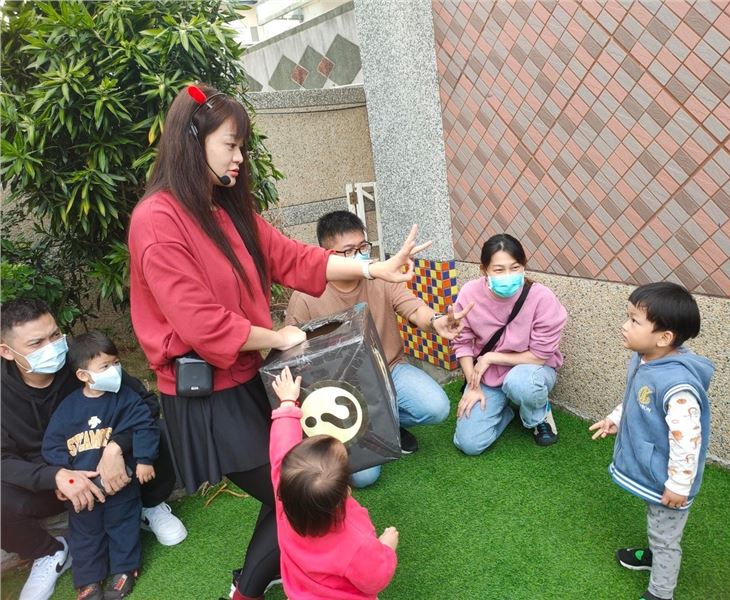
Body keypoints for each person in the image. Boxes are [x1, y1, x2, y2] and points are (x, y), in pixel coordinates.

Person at [127, 83, 430, 600]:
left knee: (288, 492)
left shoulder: (224, 208)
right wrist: (277, 334)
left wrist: (370, 268)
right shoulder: (157, 219)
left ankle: (253, 581)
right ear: (192, 139)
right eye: (231, 144)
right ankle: (249, 587)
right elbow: (201, 322)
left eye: (242, 146)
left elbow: (294, 257)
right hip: (209, 395)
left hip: (248, 375)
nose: (240, 157)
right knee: (290, 494)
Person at [0, 299, 186, 600]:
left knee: (158, 432)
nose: (52, 347)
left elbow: (146, 405)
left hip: (111, 467)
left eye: (55, 335)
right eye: (36, 343)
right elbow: (3, 460)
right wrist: (55, 476)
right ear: (7, 351)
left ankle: (148, 505)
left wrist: (116, 447)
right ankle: (49, 552)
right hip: (49, 482)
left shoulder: (82, 360)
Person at [285, 211, 472, 487]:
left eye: (363, 247)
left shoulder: (379, 276)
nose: (360, 255)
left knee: (436, 407)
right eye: (349, 251)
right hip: (342, 387)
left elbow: (414, 309)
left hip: (389, 369)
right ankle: (372, 426)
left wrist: (436, 321)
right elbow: (293, 352)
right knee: (364, 477)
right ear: (326, 254)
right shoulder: (306, 295)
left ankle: (389, 424)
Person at [589, 282, 714, 600]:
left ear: (664, 337)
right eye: (627, 316)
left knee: (666, 538)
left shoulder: (678, 386)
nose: (624, 325)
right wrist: (616, 418)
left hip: (669, 479)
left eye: (634, 320)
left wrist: (679, 485)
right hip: (655, 470)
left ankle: (660, 593)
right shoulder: (646, 358)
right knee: (658, 525)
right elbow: (636, 398)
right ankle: (653, 556)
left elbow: (688, 442)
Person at [42, 332, 160, 599]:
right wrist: (63, 477)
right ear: (83, 375)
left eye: (116, 363)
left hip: (120, 484)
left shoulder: (125, 397)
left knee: (123, 527)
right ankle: (88, 581)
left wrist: (145, 460)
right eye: (105, 366)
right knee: (85, 535)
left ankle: (124, 571)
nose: (115, 370)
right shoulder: (67, 409)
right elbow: (52, 445)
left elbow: (144, 425)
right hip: (84, 490)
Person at [268, 366, 398, 598]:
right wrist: (387, 546)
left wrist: (287, 403)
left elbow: (282, 447)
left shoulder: (286, 496)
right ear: (345, 491)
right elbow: (375, 579)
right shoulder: (354, 541)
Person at [451, 234, 567, 455]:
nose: (508, 276)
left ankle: (538, 415)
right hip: (488, 376)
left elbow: (540, 355)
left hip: (530, 371)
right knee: (469, 444)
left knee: (520, 383)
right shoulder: (469, 293)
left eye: (515, 268)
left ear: (524, 266)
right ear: (483, 270)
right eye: (499, 270)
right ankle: (505, 412)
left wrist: (491, 357)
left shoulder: (542, 297)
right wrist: (473, 386)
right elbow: (462, 342)